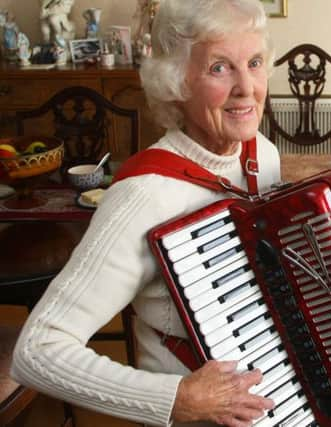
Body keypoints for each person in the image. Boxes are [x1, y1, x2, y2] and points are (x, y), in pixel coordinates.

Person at [11, 1, 280, 426]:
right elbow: (37, 351)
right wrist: (179, 400)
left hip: (273, 389)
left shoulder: (261, 154)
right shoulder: (144, 194)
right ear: (177, 81)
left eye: (255, 62)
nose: (247, 87)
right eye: (219, 68)